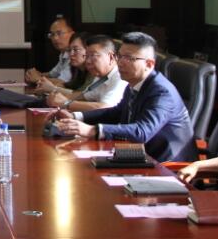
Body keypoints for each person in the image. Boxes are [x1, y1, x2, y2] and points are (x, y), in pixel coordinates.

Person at [49, 31, 197, 162]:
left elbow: (142, 132)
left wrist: (92, 130)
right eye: (120, 56)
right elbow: (117, 112)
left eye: (129, 58)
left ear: (149, 64)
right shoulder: (133, 84)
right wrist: (76, 116)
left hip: (168, 167)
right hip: (137, 155)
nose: (120, 62)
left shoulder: (162, 92)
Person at [44, 34, 126, 112]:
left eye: (93, 55)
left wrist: (66, 103)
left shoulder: (121, 77)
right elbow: (84, 96)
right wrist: (56, 98)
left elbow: (105, 107)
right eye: (86, 56)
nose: (88, 61)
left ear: (111, 57)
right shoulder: (100, 76)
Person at [25, 15, 76, 88]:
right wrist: (34, 74)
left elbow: (63, 83)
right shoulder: (63, 53)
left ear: (72, 34)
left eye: (59, 33)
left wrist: (38, 78)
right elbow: (52, 74)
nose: (55, 38)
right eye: (52, 34)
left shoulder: (75, 54)